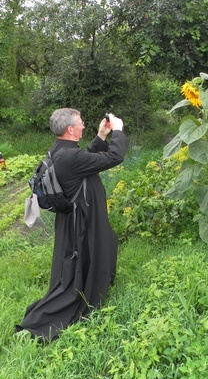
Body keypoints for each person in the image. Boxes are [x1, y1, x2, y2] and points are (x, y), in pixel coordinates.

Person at [16, 108, 129, 341]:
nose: (84, 125)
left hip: (73, 217)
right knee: (85, 256)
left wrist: (101, 137)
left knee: (95, 249)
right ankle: (78, 297)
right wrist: (117, 131)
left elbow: (85, 159)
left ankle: (91, 285)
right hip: (83, 220)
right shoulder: (69, 156)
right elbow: (114, 157)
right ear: (70, 129)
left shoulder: (60, 149)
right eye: (81, 123)